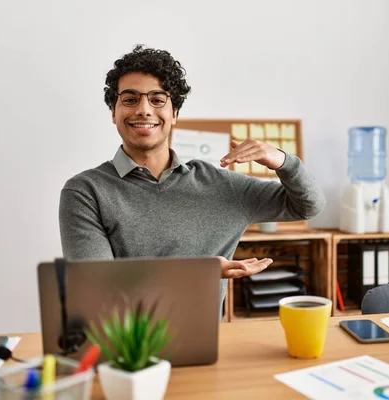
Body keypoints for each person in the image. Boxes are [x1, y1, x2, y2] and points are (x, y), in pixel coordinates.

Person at [58, 45, 326, 316]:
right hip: (123, 347)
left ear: (174, 113)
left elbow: (308, 205)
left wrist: (283, 160)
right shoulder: (85, 191)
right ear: (113, 113)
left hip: (205, 347)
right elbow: (96, 284)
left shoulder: (221, 186)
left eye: (157, 99)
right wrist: (199, 271)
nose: (143, 109)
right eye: (129, 99)